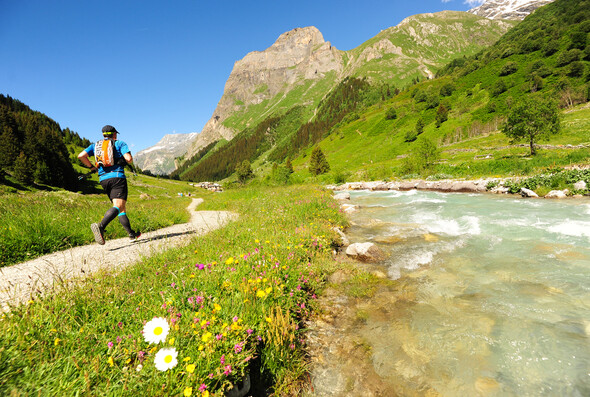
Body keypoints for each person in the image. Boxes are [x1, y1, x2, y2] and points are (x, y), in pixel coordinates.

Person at [77, 125, 141, 245]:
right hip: (117, 177)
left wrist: (91, 167)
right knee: (118, 205)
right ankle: (101, 227)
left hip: (103, 179)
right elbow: (129, 159)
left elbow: (81, 156)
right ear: (114, 134)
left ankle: (131, 234)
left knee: (121, 208)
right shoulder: (119, 144)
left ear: (103, 135)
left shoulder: (95, 146)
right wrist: (126, 158)